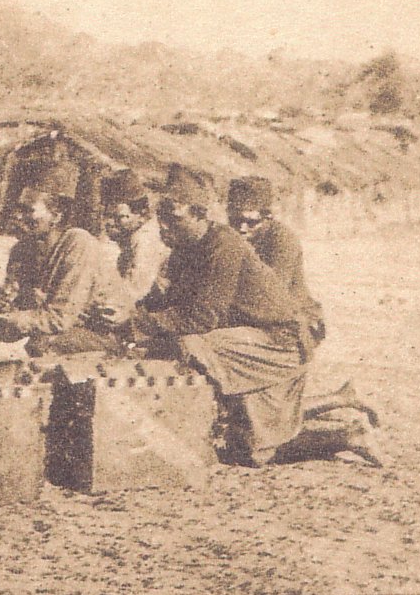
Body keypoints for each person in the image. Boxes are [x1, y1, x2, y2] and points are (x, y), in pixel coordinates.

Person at [91, 164, 378, 467]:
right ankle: (347, 434)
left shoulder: (223, 245)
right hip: (246, 342)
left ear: (201, 216)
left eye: (174, 220)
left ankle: (200, 419)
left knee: (194, 346)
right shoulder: (184, 250)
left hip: (280, 344)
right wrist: (126, 316)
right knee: (252, 449)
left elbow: (202, 319)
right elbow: (163, 303)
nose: (164, 228)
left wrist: (135, 324)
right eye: (161, 219)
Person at [0, 160, 123, 358]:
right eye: (18, 209)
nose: (19, 216)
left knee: (44, 344)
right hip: (64, 337)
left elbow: (59, 320)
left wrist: (6, 316)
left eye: (28, 210)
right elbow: (9, 332)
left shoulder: (78, 244)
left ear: (56, 215)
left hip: (108, 338)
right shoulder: (22, 251)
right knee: (41, 343)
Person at [227, 176, 326, 343]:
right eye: (235, 221)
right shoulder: (230, 236)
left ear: (268, 217)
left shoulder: (282, 240)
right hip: (254, 312)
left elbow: (273, 295)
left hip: (293, 319)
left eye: (251, 222)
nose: (242, 228)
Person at [100, 168, 170, 304]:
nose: (111, 223)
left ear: (140, 213)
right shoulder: (134, 230)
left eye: (119, 217)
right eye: (109, 216)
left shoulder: (146, 239)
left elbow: (134, 290)